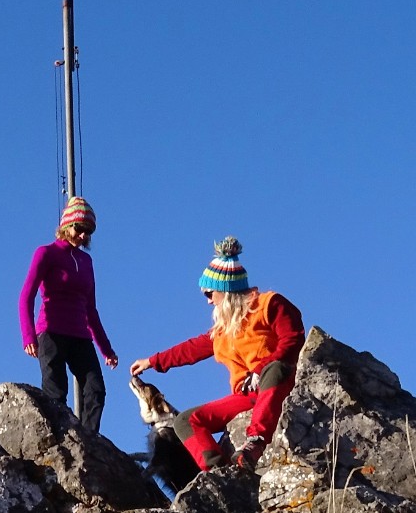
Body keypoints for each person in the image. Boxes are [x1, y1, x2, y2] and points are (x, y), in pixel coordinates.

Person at [128, 237, 304, 471]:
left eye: (209, 293)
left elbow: (293, 338)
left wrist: (260, 370)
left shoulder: (269, 303)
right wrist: (152, 361)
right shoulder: (223, 330)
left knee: (276, 367)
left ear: (226, 290)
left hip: (276, 382)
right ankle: (218, 473)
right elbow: (191, 349)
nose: (209, 301)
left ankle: (255, 442)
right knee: (186, 421)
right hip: (245, 396)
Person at [18, 196, 118, 432]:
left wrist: (106, 349)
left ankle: (88, 439)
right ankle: (60, 442)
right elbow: (26, 296)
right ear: (66, 226)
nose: (84, 236)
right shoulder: (46, 253)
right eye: (80, 228)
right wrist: (28, 336)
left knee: (95, 389)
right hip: (51, 332)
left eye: (89, 232)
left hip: (80, 336)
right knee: (56, 392)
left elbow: (91, 309)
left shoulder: (86, 261)